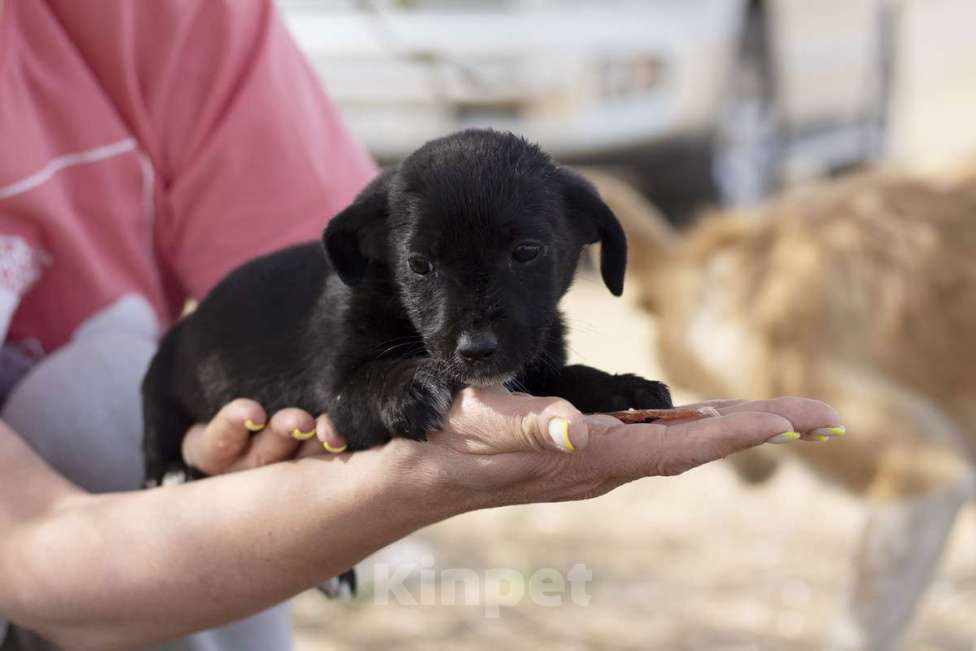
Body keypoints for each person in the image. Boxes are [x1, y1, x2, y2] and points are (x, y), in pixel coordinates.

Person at [0, 1, 843, 650]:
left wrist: (597, 397)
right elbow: (35, 545)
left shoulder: (166, 18)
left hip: (165, 496)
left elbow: (521, 380)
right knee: (94, 395)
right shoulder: (357, 295)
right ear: (383, 254)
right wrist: (412, 445)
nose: (474, 329)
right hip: (104, 466)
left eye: (524, 256)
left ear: (591, 243)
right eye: (426, 270)